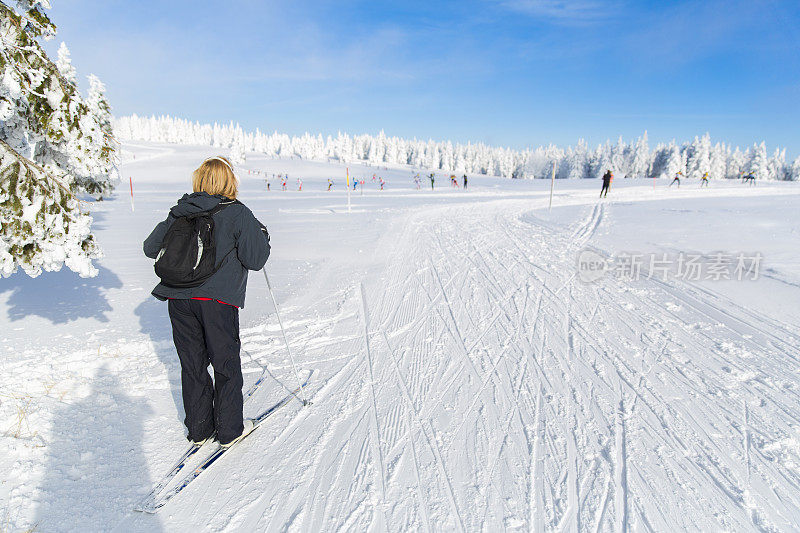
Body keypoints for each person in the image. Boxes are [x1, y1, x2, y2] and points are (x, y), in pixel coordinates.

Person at [143, 156, 270, 448]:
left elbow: (151, 248)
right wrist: (262, 236)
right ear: (229, 181)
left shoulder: (180, 211)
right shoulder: (238, 213)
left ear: (198, 180)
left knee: (193, 364)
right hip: (217, 301)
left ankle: (199, 429)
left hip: (178, 299)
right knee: (225, 363)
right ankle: (229, 431)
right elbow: (256, 259)